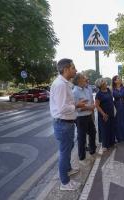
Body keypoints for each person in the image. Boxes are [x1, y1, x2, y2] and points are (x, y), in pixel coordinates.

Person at [50, 58, 87, 191]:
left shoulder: (65, 83)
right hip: (63, 123)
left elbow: (66, 104)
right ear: (66, 69)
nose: (75, 70)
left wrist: (76, 104)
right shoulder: (60, 84)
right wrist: (77, 105)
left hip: (67, 123)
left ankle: (67, 170)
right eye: (73, 68)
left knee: (68, 148)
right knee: (65, 152)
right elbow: (62, 108)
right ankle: (65, 183)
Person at [72, 73, 96, 166]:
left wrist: (92, 107)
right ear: (78, 81)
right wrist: (89, 107)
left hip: (89, 116)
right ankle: (82, 158)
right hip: (80, 118)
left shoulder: (85, 89)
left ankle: (92, 151)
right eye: (83, 79)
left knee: (93, 133)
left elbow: (90, 101)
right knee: (81, 138)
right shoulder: (74, 92)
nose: (85, 80)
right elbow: (77, 108)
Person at [95, 78, 115, 152]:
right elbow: (97, 105)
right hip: (104, 114)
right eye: (104, 82)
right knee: (104, 129)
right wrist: (103, 114)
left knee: (111, 128)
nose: (106, 83)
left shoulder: (108, 90)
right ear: (101, 85)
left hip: (111, 113)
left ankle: (111, 142)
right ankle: (105, 145)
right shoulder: (99, 94)